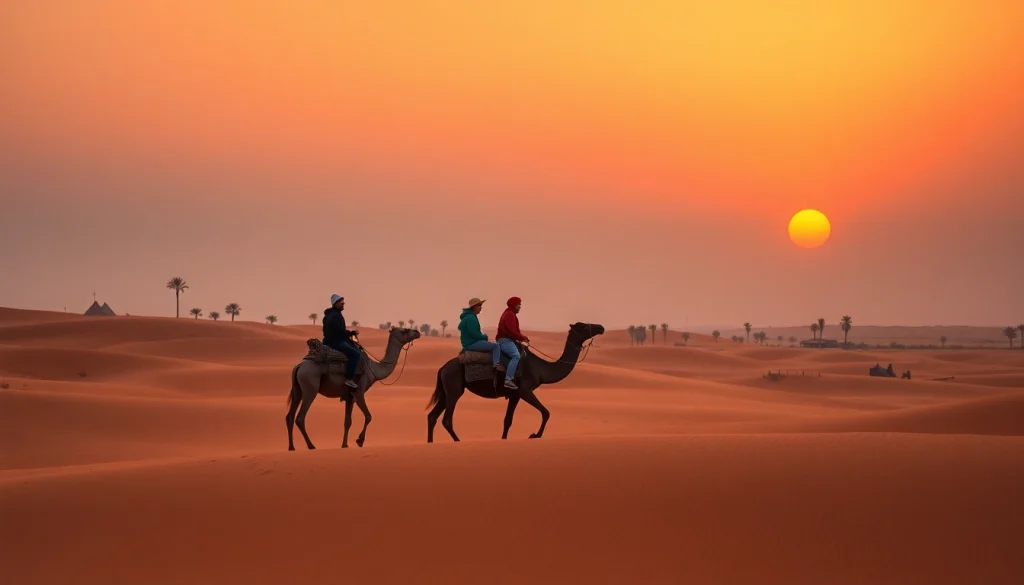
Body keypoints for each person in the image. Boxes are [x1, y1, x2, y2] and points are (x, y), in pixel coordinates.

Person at [322, 294, 360, 388]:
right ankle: (349, 379)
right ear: (335, 303)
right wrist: (350, 333)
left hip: (329, 341)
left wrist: (349, 333)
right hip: (335, 342)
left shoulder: (330, 315)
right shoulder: (335, 316)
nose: (343, 304)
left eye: (343, 302)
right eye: (341, 302)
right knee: (356, 354)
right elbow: (339, 331)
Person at [496, 296, 530, 390]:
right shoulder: (509, 315)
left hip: (509, 340)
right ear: (514, 305)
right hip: (505, 340)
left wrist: (522, 338)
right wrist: (522, 338)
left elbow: (516, 331)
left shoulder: (511, 314)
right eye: (519, 304)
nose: (520, 306)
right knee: (516, 356)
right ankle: (508, 380)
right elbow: (510, 331)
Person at [458, 297, 500, 367]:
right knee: (496, 346)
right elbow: (473, 333)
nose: (481, 308)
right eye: (479, 306)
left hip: (469, 343)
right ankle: (496, 364)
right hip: (472, 343)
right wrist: (484, 337)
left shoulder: (469, 317)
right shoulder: (471, 318)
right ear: (474, 307)